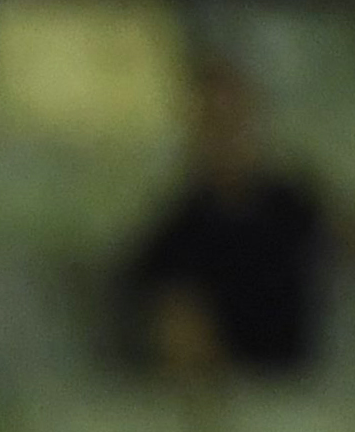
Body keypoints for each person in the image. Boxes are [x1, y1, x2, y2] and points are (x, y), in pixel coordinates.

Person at [118, 51, 331, 379]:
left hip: (295, 395)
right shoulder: (179, 230)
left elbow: (353, 238)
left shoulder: (292, 205)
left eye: (236, 121)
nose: (228, 137)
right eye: (214, 123)